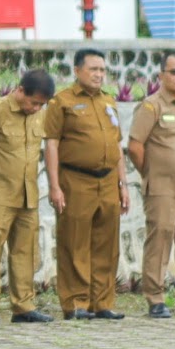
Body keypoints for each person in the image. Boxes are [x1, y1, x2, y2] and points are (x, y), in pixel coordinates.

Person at [44, 48, 130, 321]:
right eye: (93, 69)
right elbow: (52, 144)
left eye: (102, 70)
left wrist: (123, 184)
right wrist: (55, 186)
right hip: (76, 179)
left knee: (107, 244)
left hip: (107, 181)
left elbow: (117, 145)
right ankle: (76, 303)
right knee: (74, 242)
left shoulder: (109, 102)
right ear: (77, 70)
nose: (99, 75)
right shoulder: (62, 101)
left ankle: (102, 302)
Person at [0, 69, 56, 325]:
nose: (36, 108)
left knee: (25, 251)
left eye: (41, 104)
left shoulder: (40, 114)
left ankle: (24, 305)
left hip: (28, 194)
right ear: (20, 91)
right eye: (33, 102)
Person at [128, 51, 175, 319]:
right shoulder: (151, 106)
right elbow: (135, 146)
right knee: (159, 243)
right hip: (162, 189)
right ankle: (156, 298)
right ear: (161, 76)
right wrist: (152, 174)